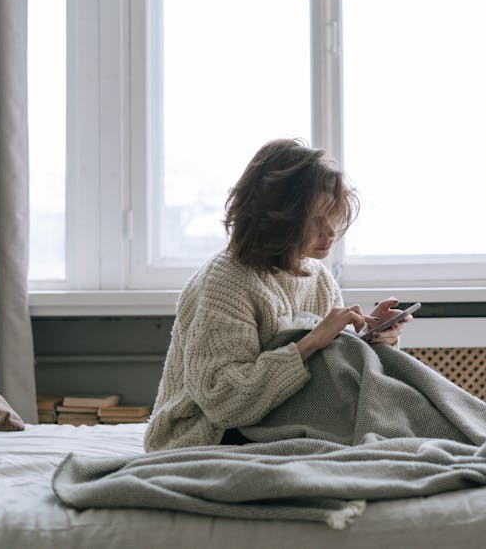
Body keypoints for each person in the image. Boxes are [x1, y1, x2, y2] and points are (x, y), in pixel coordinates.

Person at [144, 138, 409, 452]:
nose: (330, 232)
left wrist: (372, 338)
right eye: (315, 220)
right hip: (207, 434)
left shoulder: (318, 278)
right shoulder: (226, 282)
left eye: (334, 215)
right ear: (278, 217)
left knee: (392, 417)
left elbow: (332, 372)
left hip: (277, 419)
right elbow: (224, 402)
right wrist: (311, 342)